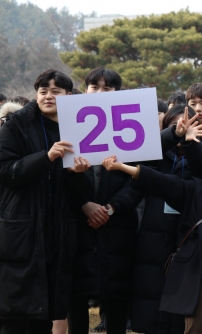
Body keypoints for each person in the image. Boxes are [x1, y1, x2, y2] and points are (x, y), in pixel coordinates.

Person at [102, 147, 202, 334]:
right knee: (198, 325)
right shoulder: (196, 191)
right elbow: (161, 182)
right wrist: (123, 167)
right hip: (200, 270)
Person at [0, 69, 90, 333]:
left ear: (69, 96)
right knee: (14, 317)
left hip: (56, 234)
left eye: (56, 91)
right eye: (43, 91)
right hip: (21, 231)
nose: (48, 96)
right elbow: (5, 172)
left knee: (44, 315)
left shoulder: (78, 129)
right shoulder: (16, 125)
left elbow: (80, 191)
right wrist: (46, 157)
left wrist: (77, 175)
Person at [68, 67, 143, 334]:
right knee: (77, 296)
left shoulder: (132, 125)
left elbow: (139, 181)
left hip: (118, 225)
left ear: (117, 93)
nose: (100, 93)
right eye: (94, 87)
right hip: (80, 225)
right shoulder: (69, 124)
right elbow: (60, 179)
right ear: (85, 89)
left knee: (117, 296)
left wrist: (111, 208)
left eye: (107, 88)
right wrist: (83, 204)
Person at [131, 105, 202, 334]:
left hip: (186, 233)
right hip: (152, 233)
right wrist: (173, 135)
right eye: (175, 125)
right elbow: (139, 167)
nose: (183, 128)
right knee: (150, 291)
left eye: (188, 124)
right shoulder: (155, 154)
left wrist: (190, 142)